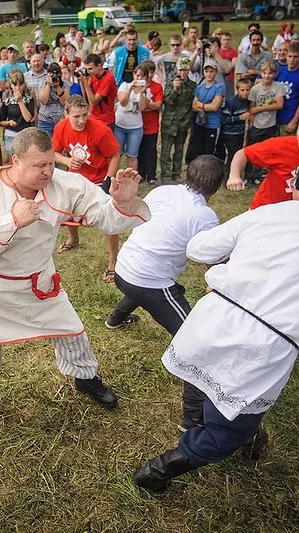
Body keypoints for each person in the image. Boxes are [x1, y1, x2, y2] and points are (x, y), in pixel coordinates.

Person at [132, 158, 299, 493]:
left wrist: (239, 258)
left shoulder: (268, 212)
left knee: (208, 380)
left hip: (212, 320)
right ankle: (159, 471)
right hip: (264, 349)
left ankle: (225, 430)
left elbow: (198, 247)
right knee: (228, 430)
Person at [0, 128, 151, 429]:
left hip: (38, 282)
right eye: (40, 165)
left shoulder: (64, 184)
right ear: (15, 162)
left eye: (51, 163)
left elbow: (103, 215)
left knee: (71, 332)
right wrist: (12, 220)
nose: (48, 171)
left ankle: (85, 379)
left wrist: (120, 203)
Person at [107, 155, 222, 427]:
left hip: (123, 269)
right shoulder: (205, 216)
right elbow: (211, 260)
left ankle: (116, 318)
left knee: (143, 287)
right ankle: (193, 416)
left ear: (187, 174)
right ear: (215, 188)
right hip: (149, 282)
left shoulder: (163, 190)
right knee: (195, 341)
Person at [52, 95, 121, 282]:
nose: (81, 120)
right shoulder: (61, 127)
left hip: (98, 178)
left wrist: (108, 180)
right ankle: (73, 240)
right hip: (75, 178)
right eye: (76, 116)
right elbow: (54, 152)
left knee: (108, 220)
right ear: (66, 114)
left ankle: (113, 263)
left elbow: (115, 155)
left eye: (84, 115)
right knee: (67, 211)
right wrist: (67, 160)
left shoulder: (99, 129)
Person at [244, 61, 285, 184]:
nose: (267, 76)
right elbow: (252, 109)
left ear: (274, 74)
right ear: (261, 74)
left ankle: (257, 174)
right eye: (264, 73)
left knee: (265, 151)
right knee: (252, 150)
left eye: (270, 73)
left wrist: (260, 108)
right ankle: (248, 175)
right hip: (257, 125)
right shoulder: (255, 89)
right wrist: (250, 125)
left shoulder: (278, 87)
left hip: (270, 124)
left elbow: (280, 104)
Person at [159, 57, 197, 184]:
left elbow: (193, 104)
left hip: (183, 124)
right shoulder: (170, 84)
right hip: (169, 123)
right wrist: (175, 89)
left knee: (179, 151)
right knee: (166, 151)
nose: (183, 72)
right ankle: (165, 175)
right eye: (180, 69)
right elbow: (167, 101)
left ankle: (176, 173)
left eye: (185, 70)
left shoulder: (193, 86)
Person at [185, 60, 224, 163]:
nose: (209, 74)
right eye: (206, 71)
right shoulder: (199, 87)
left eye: (212, 71)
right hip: (200, 123)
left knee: (209, 151)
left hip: (213, 124)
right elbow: (194, 106)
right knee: (198, 150)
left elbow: (215, 107)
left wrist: (201, 105)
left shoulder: (219, 87)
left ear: (215, 72)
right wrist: (206, 106)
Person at [276, 42, 299, 135]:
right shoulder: (281, 71)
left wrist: (294, 121)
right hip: (276, 116)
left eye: (295, 57)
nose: (292, 60)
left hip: (290, 117)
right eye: (290, 56)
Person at [114, 66, 147, 172]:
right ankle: (112, 178)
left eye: (142, 76)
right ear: (133, 75)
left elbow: (142, 108)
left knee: (132, 155)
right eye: (137, 75)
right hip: (120, 125)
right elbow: (123, 102)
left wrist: (141, 92)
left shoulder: (146, 90)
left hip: (136, 127)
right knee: (116, 154)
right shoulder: (124, 85)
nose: (139, 78)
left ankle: (132, 179)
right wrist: (130, 89)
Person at [217, 78, 251, 175]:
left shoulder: (246, 102)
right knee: (233, 156)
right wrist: (239, 118)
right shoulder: (231, 102)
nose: (245, 92)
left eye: (247, 90)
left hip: (239, 133)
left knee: (237, 154)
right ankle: (227, 177)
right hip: (229, 134)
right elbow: (224, 119)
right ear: (237, 90)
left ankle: (235, 174)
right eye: (242, 90)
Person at [0, 69, 36, 157]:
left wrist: (20, 101)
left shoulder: (29, 100)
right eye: (15, 84)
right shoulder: (7, 101)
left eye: (20, 84)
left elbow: (28, 118)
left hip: (25, 134)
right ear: (11, 85)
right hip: (10, 134)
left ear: (24, 84)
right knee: (12, 161)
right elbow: (1, 121)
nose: (18, 88)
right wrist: (9, 123)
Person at [138, 61, 163, 184]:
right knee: (140, 150)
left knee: (151, 150)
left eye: (152, 72)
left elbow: (158, 105)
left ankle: (151, 175)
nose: (149, 75)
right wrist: (148, 105)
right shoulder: (137, 86)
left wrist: (146, 103)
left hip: (152, 125)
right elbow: (138, 106)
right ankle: (141, 173)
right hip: (138, 124)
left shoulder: (157, 87)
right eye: (147, 72)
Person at [82, 54, 117, 129]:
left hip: (105, 120)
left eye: (90, 69)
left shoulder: (107, 79)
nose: (88, 72)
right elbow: (86, 95)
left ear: (99, 66)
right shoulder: (94, 76)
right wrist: (82, 82)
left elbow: (94, 101)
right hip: (94, 117)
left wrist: (85, 83)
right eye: (86, 69)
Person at [37, 62, 69, 139]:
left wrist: (57, 87)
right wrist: (48, 85)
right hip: (45, 121)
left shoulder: (65, 84)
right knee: (46, 146)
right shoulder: (42, 83)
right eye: (51, 73)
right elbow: (44, 101)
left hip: (61, 120)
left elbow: (64, 102)